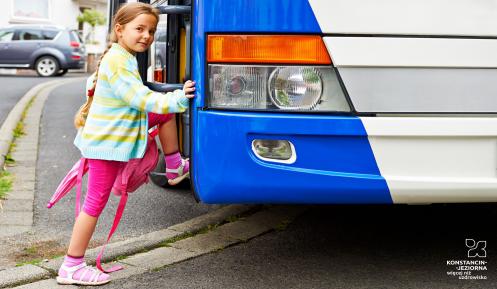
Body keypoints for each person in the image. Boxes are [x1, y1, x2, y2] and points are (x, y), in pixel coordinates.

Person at [56, 2, 195, 286]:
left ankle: (173, 167)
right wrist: (178, 98)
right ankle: (71, 265)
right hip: (106, 144)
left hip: (112, 135)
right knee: (94, 203)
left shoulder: (122, 56)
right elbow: (139, 98)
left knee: (164, 115)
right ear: (120, 30)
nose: (146, 36)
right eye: (139, 29)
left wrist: (167, 105)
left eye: (152, 31)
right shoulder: (118, 62)